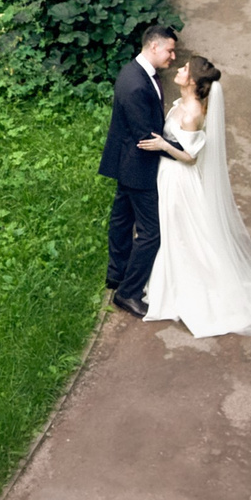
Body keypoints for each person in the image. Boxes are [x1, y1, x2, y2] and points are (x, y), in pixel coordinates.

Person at [138, 54, 251, 338]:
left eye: (184, 69)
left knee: (181, 231)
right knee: (175, 230)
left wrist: (163, 146)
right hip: (168, 174)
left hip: (179, 178)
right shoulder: (184, 103)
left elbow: (190, 157)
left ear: (193, 80)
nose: (179, 69)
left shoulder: (192, 112)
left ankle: (194, 286)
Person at [100, 23, 182, 317]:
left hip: (125, 160)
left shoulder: (136, 72)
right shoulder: (136, 84)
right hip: (137, 166)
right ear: (155, 46)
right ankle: (128, 293)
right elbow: (146, 137)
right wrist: (184, 152)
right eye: (170, 51)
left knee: (122, 220)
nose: (173, 57)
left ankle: (116, 274)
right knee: (151, 233)